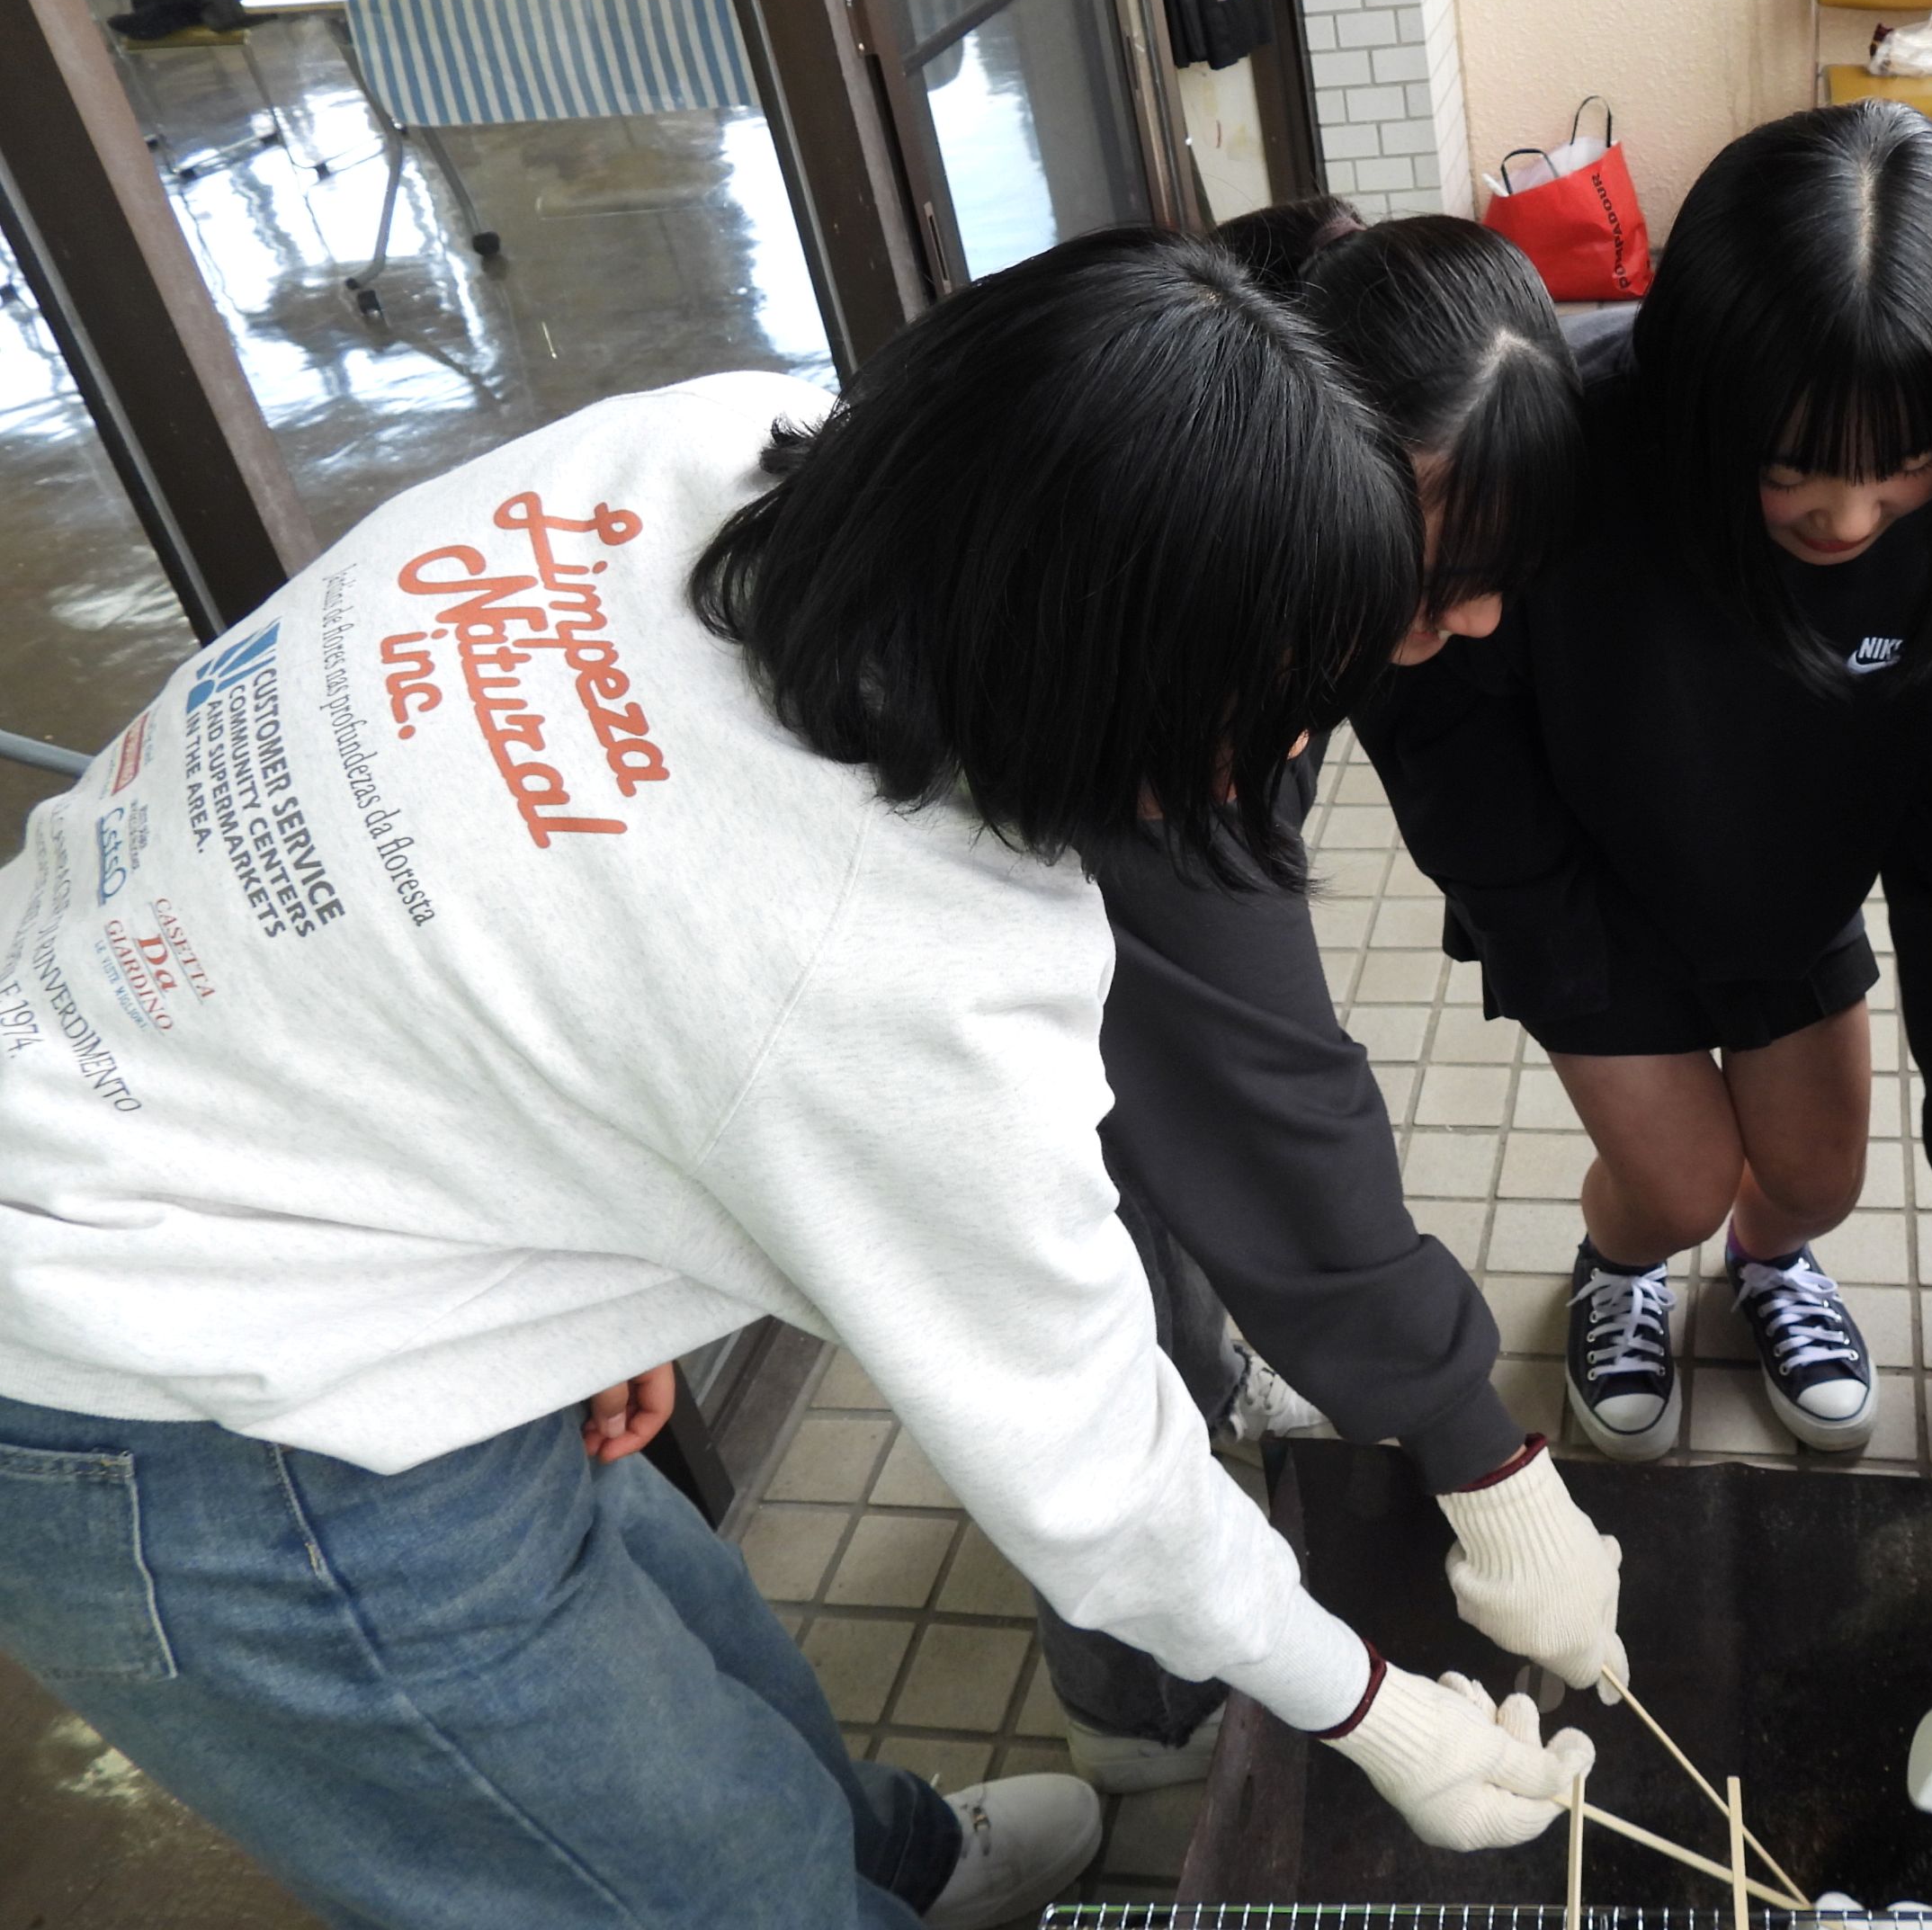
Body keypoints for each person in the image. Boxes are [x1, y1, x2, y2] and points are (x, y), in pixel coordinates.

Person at [0, 229, 1597, 1930]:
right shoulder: (897, 968)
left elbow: (500, 871)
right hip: (160, 1388)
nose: (1294, 748)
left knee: (704, 1642)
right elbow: (1095, 1479)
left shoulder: (726, 445)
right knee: (701, 1888)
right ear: (1097, 674)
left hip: (168, 1061)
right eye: (1281, 700)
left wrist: (569, 1271)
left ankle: (904, 1860)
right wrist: (1370, 1701)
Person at [1364, 103, 1932, 1462]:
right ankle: (1620, 1271)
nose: (1852, 519)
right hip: (1577, 881)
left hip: (1792, 880)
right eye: (1791, 471)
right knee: (1678, 1179)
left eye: (1908, 468)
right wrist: (1558, 950)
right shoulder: (1565, 447)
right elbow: (1447, 733)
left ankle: (1770, 1272)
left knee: (1816, 1178)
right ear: (1703, 392)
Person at [1041, 207, 1624, 1795]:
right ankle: (1138, 1708)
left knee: (1167, 1188)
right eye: (1431, 589)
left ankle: (1187, 1476)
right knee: (1100, 1306)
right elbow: (1266, 1089)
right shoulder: (1139, 663)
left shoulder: (1264, 489)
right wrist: (1474, 1444)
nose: (1468, 630)